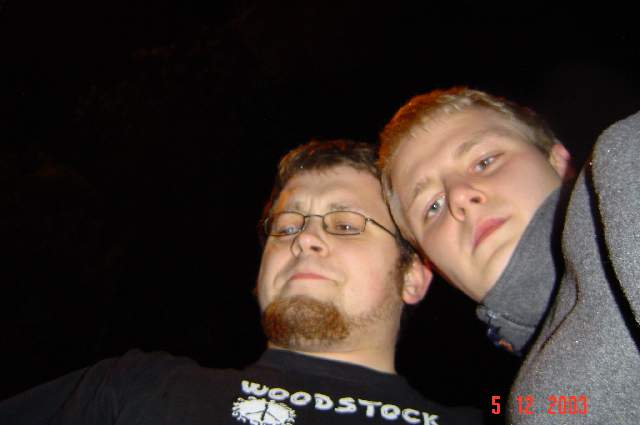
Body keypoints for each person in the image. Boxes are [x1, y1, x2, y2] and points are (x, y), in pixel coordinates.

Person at [0, 139, 482, 425]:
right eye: (286, 226)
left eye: (345, 224)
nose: (304, 239)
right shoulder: (131, 391)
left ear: (413, 276)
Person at [378, 87, 640, 423]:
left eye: (485, 162)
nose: (459, 196)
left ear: (558, 161)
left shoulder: (628, 164)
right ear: (435, 267)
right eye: (433, 206)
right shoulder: (513, 404)